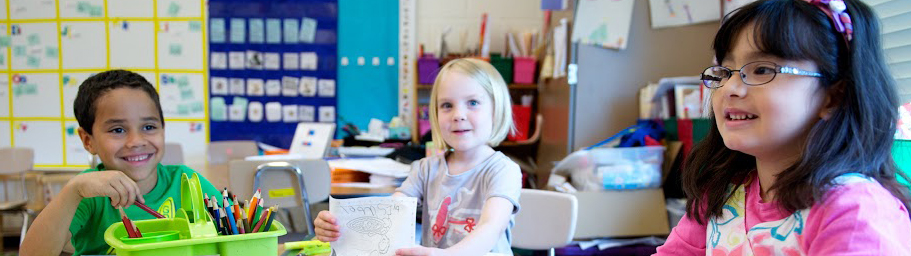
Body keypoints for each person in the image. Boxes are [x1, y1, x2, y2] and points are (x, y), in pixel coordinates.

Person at [315, 58, 523, 256]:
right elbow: (390, 214)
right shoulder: (425, 168)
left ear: (497, 111)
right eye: (447, 105)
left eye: (473, 102)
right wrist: (338, 225)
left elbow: (490, 228)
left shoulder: (503, 170)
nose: (458, 114)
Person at [20, 70, 222, 256]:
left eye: (149, 126)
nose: (136, 142)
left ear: (163, 128)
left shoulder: (186, 181)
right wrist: (73, 190)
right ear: (87, 140)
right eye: (118, 130)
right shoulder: (86, 194)